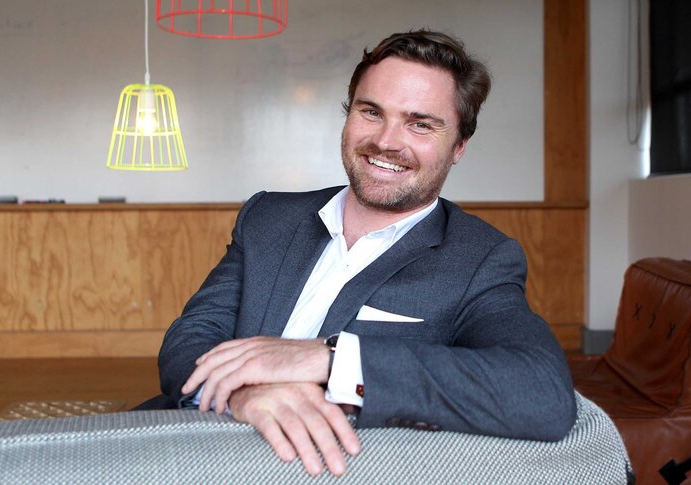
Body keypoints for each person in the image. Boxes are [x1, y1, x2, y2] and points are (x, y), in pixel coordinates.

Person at [156, 30, 576, 477]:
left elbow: (541, 393)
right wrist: (244, 394)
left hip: (333, 469)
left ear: (458, 147)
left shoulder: (480, 259)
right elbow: (191, 338)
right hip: (197, 442)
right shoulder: (267, 218)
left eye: (420, 123)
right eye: (371, 112)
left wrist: (331, 359)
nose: (386, 141)